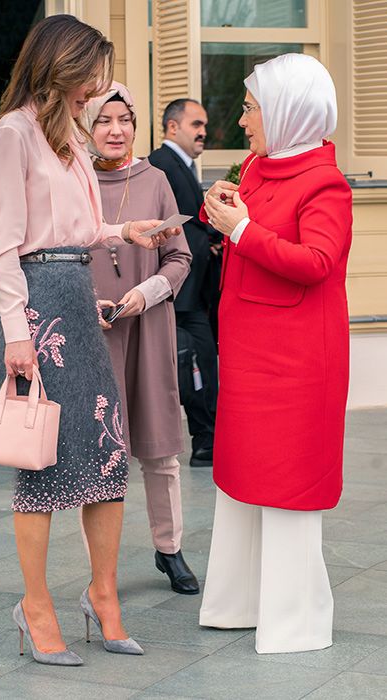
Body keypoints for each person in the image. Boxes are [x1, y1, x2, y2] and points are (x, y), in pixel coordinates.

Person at [0, 14, 180, 665]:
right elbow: (6, 250)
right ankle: (35, 607)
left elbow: (82, 229)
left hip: (77, 299)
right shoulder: (11, 135)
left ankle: (103, 595)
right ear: (59, 65)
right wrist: (17, 334)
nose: (96, 89)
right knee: (40, 463)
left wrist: (128, 233)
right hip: (36, 308)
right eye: (88, 73)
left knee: (106, 453)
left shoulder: (68, 133)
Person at [198, 53, 352, 654]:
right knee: (241, 480)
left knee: (287, 486)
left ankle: (296, 621)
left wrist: (239, 230)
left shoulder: (327, 185)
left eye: (251, 108)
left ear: (286, 112)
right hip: (249, 354)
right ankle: (237, 604)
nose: (242, 121)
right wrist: (223, 209)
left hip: (295, 366)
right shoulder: (261, 166)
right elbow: (252, 231)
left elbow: (316, 263)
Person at [84, 82, 199, 595]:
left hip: (148, 329)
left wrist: (148, 293)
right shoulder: (73, 181)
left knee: (159, 451)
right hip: (93, 334)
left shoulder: (155, 180)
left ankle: (169, 549)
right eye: (104, 120)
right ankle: (100, 568)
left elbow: (180, 258)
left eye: (124, 120)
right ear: (86, 126)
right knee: (100, 452)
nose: (116, 130)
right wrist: (84, 304)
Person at [149, 99, 219, 467]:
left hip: (193, 291)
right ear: (172, 127)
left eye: (204, 124)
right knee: (193, 365)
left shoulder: (183, 166)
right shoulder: (160, 164)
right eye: (196, 124)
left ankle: (206, 441)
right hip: (179, 291)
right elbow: (164, 225)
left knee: (199, 363)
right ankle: (203, 442)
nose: (203, 131)